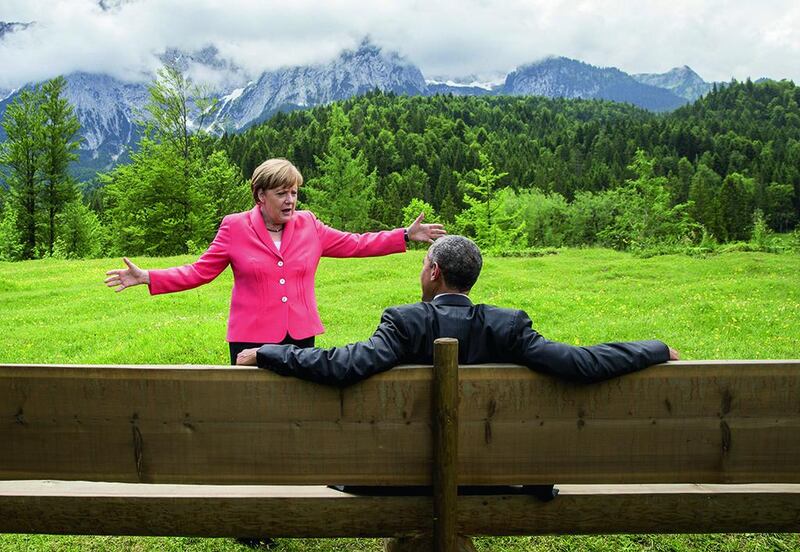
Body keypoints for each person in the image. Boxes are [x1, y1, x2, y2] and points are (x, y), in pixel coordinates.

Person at [104, 158, 446, 366]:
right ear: (260, 196)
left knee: (297, 409)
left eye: (294, 192)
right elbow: (199, 272)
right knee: (251, 411)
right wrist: (149, 276)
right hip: (250, 337)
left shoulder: (310, 224)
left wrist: (402, 235)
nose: (291, 200)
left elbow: (355, 244)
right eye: (282, 193)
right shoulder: (234, 227)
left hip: (300, 335)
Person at [236, 234, 679, 382]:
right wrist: (654, 348)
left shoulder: (404, 322)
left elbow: (343, 365)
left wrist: (270, 352)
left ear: (432, 271)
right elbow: (583, 363)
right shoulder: (508, 326)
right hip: (495, 475)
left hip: (401, 478)